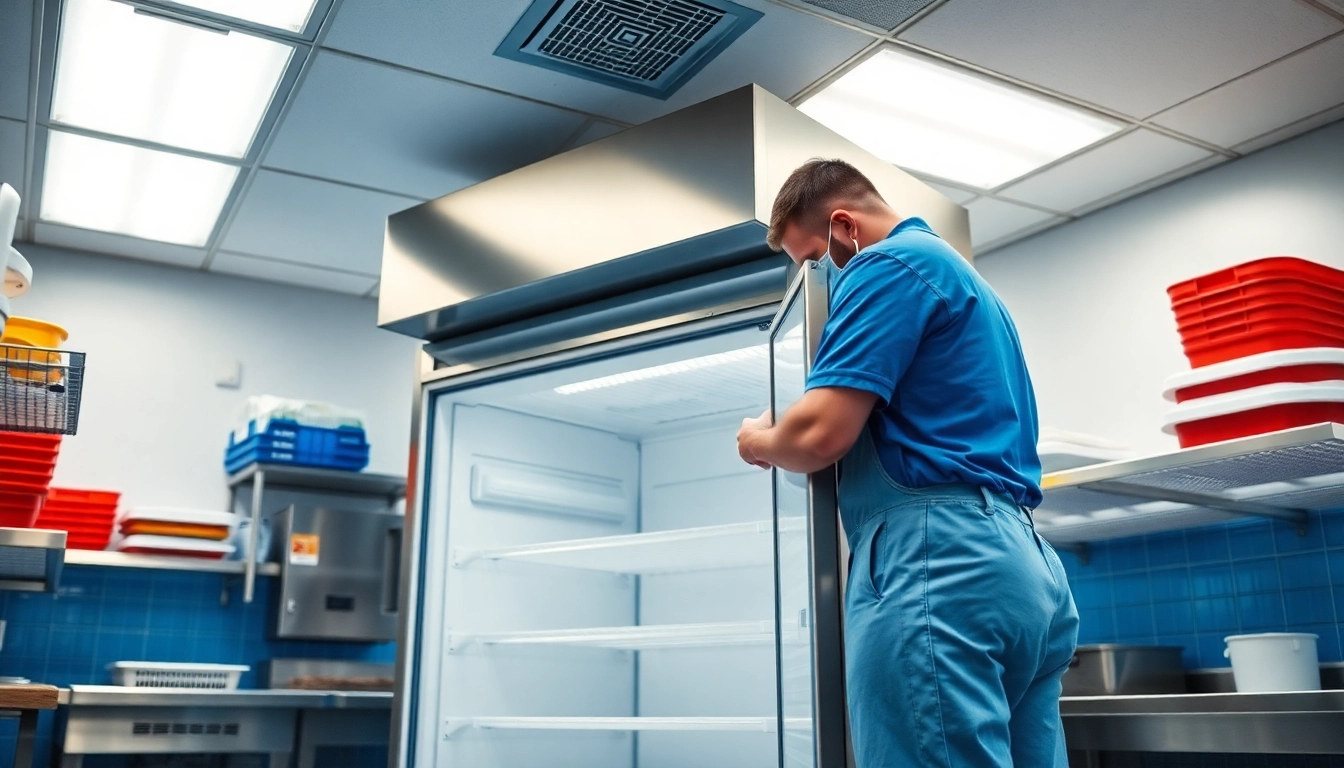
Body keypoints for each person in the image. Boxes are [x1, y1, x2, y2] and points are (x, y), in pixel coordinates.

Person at [736, 159, 1078, 767]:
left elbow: (820, 435)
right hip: (1024, 569)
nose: (822, 280)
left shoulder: (887, 264)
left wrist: (760, 439)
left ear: (846, 228)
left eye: (815, 261)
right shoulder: (970, 285)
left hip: (936, 561)